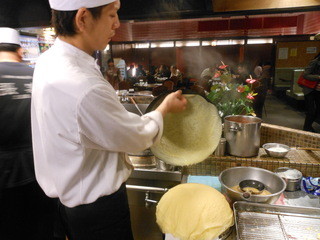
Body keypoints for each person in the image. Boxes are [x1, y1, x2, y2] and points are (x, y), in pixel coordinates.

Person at [31, 1, 187, 240]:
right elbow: (136, 138)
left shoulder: (48, 61)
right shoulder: (82, 84)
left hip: (66, 205)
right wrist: (164, 108)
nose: (117, 24)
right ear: (82, 18)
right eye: (112, 15)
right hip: (99, 213)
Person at [0, 27, 55, 240]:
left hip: (3, 173)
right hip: (40, 168)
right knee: (40, 227)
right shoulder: (39, 77)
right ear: (20, 51)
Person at [301, 53, 320, 132]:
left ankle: (308, 126)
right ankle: (307, 127)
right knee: (311, 110)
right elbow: (305, 75)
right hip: (309, 89)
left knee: (317, 109)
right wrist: (318, 77)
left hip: (317, 89)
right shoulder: (315, 62)